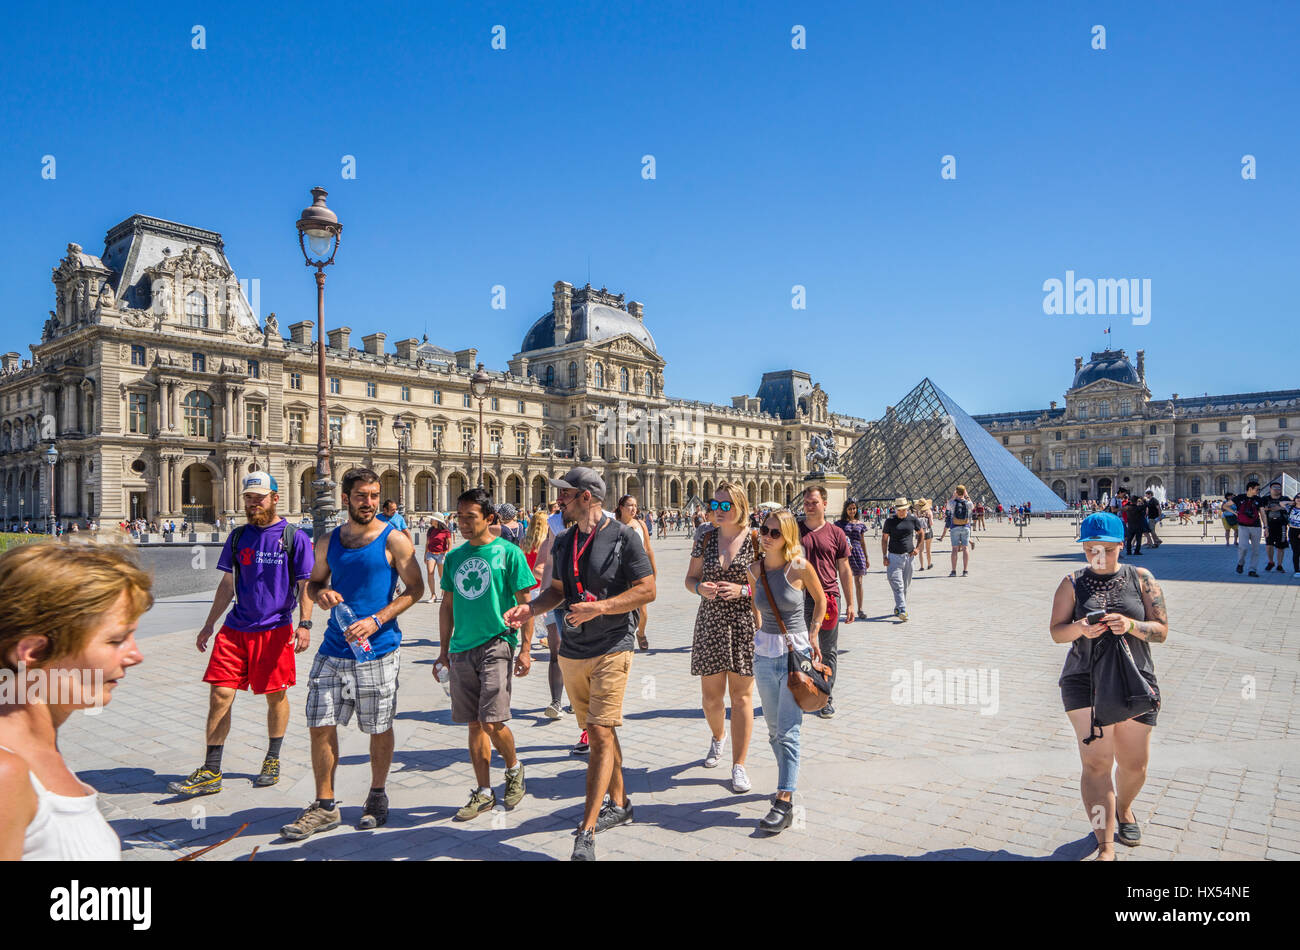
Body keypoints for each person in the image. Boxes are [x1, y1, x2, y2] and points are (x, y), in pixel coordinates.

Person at [503, 467, 655, 861]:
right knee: (600, 731)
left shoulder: (624, 537)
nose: (559, 501)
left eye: (565, 495)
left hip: (613, 644)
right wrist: (529, 609)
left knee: (600, 733)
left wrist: (600, 607)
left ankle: (586, 831)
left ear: (586, 497)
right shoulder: (565, 540)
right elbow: (554, 592)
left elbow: (648, 589)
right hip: (572, 649)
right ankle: (620, 803)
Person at [282, 468, 424, 840]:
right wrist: (320, 594)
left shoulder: (394, 540)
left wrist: (378, 619)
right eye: (362, 495)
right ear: (346, 499)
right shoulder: (330, 542)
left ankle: (376, 794)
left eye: (375, 495)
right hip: (334, 646)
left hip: (377, 648)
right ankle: (325, 804)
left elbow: (415, 589)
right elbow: (313, 583)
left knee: (378, 725)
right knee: (319, 721)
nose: (369, 502)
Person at [0, 543, 151, 859]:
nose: (136, 656)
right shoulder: (5, 774)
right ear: (34, 653)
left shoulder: (44, 745)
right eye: (115, 640)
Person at [168, 473, 315, 797]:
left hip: (275, 629)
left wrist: (305, 624)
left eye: (259, 497)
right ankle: (211, 769)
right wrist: (209, 624)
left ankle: (272, 758)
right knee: (219, 693)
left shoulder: (295, 537)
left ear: (275, 498)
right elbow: (227, 584)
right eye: (248, 497)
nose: (253, 502)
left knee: (275, 695)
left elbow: (307, 585)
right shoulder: (238, 537)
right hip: (234, 629)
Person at [1050, 512, 1169, 860]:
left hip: (1135, 677)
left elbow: (1161, 630)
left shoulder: (1142, 579)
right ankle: (1105, 844)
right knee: (1097, 765)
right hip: (1084, 679)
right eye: (1090, 549)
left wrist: (1131, 625)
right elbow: (1057, 631)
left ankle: (1125, 808)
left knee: (1134, 766)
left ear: (1121, 545)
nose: (1097, 556)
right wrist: (1080, 629)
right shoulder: (1071, 583)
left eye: (1105, 548)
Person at [438, 488, 535, 820]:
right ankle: (483, 791)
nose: (462, 523)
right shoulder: (453, 558)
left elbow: (526, 605)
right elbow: (447, 606)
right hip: (462, 647)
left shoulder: (509, 554)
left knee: (493, 722)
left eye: (470, 517)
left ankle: (513, 767)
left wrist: (525, 648)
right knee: (474, 724)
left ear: (490, 518)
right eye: (459, 516)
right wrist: (442, 651)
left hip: (498, 641)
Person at [747, 507, 825, 833]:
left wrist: (814, 633)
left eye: (774, 533)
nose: (766, 537)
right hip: (764, 655)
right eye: (764, 530)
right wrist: (756, 631)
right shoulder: (754, 569)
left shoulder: (800, 567)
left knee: (789, 732)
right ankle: (787, 778)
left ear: (787, 536)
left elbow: (821, 601)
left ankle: (784, 800)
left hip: (796, 657)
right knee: (773, 731)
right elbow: (755, 604)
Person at [684, 482, 759, 792]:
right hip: (711, 621)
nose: (717, 511)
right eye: (715, 505)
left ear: (740, 506)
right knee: (711, 698)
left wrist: (743, 590)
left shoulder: (757, 540)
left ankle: (739, 765)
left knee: (742, 698)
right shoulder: (705, 537)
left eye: (725, 506)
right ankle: (718, 737)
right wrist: (699, 588)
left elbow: (771, 586)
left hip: (743, 621)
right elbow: (690, 579)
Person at [798, 485, 853, 720]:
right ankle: (807, 693)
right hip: (801, 598)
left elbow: (844, 568)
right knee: (802, 649)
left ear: (825, 504)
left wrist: (850, 603)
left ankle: (825, 697)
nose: (810, 506)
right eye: (807, 503)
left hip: (830, 597)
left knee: (828, 650)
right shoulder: (795, 530)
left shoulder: (836, 533)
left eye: (814, 502)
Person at [616, 495, 656, 651]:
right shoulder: (613, 525)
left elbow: (648, 549)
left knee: (643, 611)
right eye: (629, 505)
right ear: (621, 507)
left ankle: (641, 632)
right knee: (621, 606)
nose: (633, 509)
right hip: (620, 571)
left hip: (639, 571)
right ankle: (625, 638)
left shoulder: (640, 524)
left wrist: (653, 571)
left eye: (635, 505)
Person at [881, 497, 925, 621]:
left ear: (907, 509)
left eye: (903, 510)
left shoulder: (913, 519)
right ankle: (903, 610)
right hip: (894, 556)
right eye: (899, 510)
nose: (901, 512)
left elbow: (921, 533)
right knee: (897, 584)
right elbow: (884, 539)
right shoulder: (890, 521)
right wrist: (884, 556)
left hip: (909, 557)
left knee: (905, 585)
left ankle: (898, 607)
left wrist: (917, 548)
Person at [834, 500, 871, 618]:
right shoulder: (839, 524)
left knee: (859, 582)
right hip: (844, 554)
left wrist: (866, 557)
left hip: (858, 553)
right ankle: (849, 606)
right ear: (845, 509)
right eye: (850, 508)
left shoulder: (860, 524)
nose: (852, 511)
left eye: (854, 508)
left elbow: (862, 541)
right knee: (844, 581)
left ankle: (860, 609)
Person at [936, 485, 973, 576]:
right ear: (964, 492)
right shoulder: (968, 503)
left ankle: (953, 571)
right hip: (965, 527)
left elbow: (947, 507)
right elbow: (972, 506)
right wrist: (967, 495)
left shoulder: (952, 503)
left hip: (954, 527)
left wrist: (953, 496)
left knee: (954, 549)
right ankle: (965, 571)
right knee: (965, 548)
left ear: (956, 492)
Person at [1233, 480, 1265, 577]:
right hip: (1243, 526)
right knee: (1243, 547)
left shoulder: (1259, 500)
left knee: (1256, 550)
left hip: (1256, 526)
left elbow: (1262, 513)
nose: (1258, 491)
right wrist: (1235, 512)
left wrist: (1266, 527)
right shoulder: (1240, 498)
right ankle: (1240, 563)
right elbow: (1225, 506)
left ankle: (1252, 570)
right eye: (1257, 489)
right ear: (1250, 489)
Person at [1261, 482, 1292, 572]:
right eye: (1274, 487)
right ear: (1270, 489)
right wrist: (1268, 509)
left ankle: (1279, 565)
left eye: (1278, 487)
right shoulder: (1265, 499)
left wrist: (1280, 508)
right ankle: (1271, 562)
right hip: (1269, 524)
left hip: (1282, 524)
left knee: (1281, 546)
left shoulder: (1285, 498)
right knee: (1269, 545)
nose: (1276, 489)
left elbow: (1293, 504)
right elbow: (1260, 508)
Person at [424, 513, 452, 602]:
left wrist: (447, 553)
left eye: (432, 519)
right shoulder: (430, 530)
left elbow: (450, 543)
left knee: (442, 575)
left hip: (441, 554)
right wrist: (425, 554)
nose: (431, 520)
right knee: (430, 573)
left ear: (437, 521)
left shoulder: (445, 531)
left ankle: (443, 592)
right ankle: (433, 595)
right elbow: (427, 543)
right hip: (430, 553)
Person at [1123, 490, 1148, 557]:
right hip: (1138, 525)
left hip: (1131, 525)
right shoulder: (1139, 508)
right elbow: (1146, 505)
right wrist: (1144, 500)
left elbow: (1125, 504)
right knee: (1138, 539)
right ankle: (1137, 551)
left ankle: (1128, 551)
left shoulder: (1128, 508)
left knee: (1129, 539)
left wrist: (1129, 501)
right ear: (1136, 501)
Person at [915, 498, 935, 570]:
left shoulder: (917, 512)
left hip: (920, 532)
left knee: (921, 550)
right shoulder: (929, 512)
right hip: (928, 531)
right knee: (928, 549)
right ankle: (929, 564)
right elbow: (931, 523)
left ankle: (922, 566)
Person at [1287, 492, 1300, 577]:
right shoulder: (1290, 508)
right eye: (1297, 497)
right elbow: (1281, 503)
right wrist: (1292, 502)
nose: (1299, 499)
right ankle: (1297, 570)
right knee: (1296, 552)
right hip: (1292, 531)